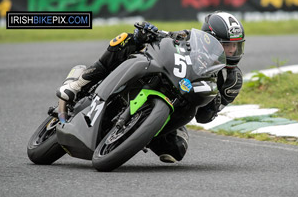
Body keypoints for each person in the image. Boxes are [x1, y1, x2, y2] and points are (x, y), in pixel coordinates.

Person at [56, 11, 245, 163]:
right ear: (208, 39)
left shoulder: (232, 80)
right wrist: (149, 32)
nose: (231, 51)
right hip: (162, 78)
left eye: (236, 47)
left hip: (177, 106)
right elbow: (168, 40)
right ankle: (80, 81)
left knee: (176, 151)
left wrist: (214, 99)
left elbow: (204, 117)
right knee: (126, 39)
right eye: (227, 45)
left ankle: (139, 130)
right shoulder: (190, 39)